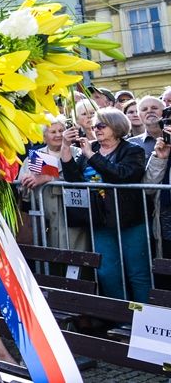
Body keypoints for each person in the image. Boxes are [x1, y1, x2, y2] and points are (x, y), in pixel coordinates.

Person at [61, 107, 148, 302]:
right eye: (94, 126)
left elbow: (122, 176)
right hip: (100, 220)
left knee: (137, 272)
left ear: (116, 127)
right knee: (107, 272)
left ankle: (142, 321)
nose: (96, 129)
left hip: (129, 220)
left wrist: (92, 156)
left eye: (101, 125)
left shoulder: (132, 150)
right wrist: (66, 148)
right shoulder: (89, 149)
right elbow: (74, 180)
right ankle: (119, 317)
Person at [17, 117, 88, 253]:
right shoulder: (37, 156)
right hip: (43, 215)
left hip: (71, 213)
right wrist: (26, 181)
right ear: (44, 137)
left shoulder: (77, 152)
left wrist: (49, 178)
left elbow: (78, 178)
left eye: (61, 130)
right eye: (53, 132)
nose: (58, 135)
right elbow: (23, 188)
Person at [138, 97, 171, 256]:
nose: (149, 111)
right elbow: (148, 188)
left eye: (154, 108)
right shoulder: (133, 144)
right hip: (163, 214)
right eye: (144, 109)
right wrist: (159, 158)